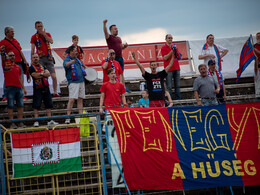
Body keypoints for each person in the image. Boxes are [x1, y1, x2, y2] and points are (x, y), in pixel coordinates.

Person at [30, 21, 61, 97]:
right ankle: (44, 92)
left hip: (49, 57)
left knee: (53, 76)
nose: (40, 28)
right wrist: (32, 59)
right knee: (43, 75)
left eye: (41, 26)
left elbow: (51, 41)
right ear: (35, 28)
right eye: (38, 26)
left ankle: (55, 92)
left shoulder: (47, 34)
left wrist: (44, 34)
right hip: (40, 58)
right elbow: (33, 49)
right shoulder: (34, 37)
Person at [0, 26, 29, 101]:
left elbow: (20, 51)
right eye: (11, 31)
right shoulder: (2, 42)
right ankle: (5, 95)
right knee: (7, 79)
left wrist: (25, 61)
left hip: (19, 62)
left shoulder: (15, 41)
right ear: (7, 33)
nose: (13, 33)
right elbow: (2, 53)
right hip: (9, 63)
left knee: (21, 78)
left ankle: (20, 95)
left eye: (13, 31)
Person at [29, 53, 58, 127]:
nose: (35, 58)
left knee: (48, 104)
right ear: (32, 59)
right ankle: (36, 121)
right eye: (34, 57)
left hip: (46, 87)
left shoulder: (43, 66)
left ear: (39, 58)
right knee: (36, 105)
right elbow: (35, 75)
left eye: (37, 57)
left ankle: (50, 120)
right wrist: (43, 74)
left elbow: (48, 74)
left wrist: (40, 74)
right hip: (37, 88)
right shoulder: (31, 67)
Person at [1, 47, 26, 129]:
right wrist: (2, 52)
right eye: (10, 55)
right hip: (10, 88)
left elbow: (20, 78)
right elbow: (3, 59)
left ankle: (20, 122)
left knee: (20, 105)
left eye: (13, 55)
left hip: (18, 88)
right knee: (10, 105)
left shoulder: (18, 67)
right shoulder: (6, 65)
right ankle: (12, 123)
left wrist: (24, 88)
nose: (12, 57)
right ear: (8, 57)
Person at [103, 19, 130, 92]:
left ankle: (123, 87)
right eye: (115, 29)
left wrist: (125, 46)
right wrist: (104, 24)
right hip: (113, 58)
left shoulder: (119, 38)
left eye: (117, 29)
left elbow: (121, 47)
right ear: (111, 30)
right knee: (114, 73)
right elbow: (105, 32)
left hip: (120, 58)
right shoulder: (109, 38)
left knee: (121, 73)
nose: (117, 30)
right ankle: (116, 86)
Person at [63, 45, 86, 124]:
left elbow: (83, 67)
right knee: (72, 99)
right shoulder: (67, 59)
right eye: (75, 50)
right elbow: (65, 65)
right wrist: (70, 62)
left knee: (80, 99)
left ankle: (80, 116)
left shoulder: (78, 59)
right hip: (73, 82)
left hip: (81, 81)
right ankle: (68, 117)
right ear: (71, 51)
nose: (77, 52)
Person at [161, 34, 182, 100]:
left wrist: (176, 51)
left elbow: (179, 57)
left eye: (171, 38)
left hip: (176, 67)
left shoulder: (175, 47)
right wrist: (171, 51)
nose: (170, 39)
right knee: (169, 86)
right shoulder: (163, 48)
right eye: (169, 38)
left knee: (177, 86)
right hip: (169, 69)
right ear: (166, 39)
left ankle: (178, 101)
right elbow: (165, 58)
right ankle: (170, 101)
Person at [254, 32, 260, 101]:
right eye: (257, 36)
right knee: (257, 82)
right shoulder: (254, 46)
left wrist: (255, 50)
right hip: (257, 67)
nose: (258, 38)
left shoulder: (255, 48)